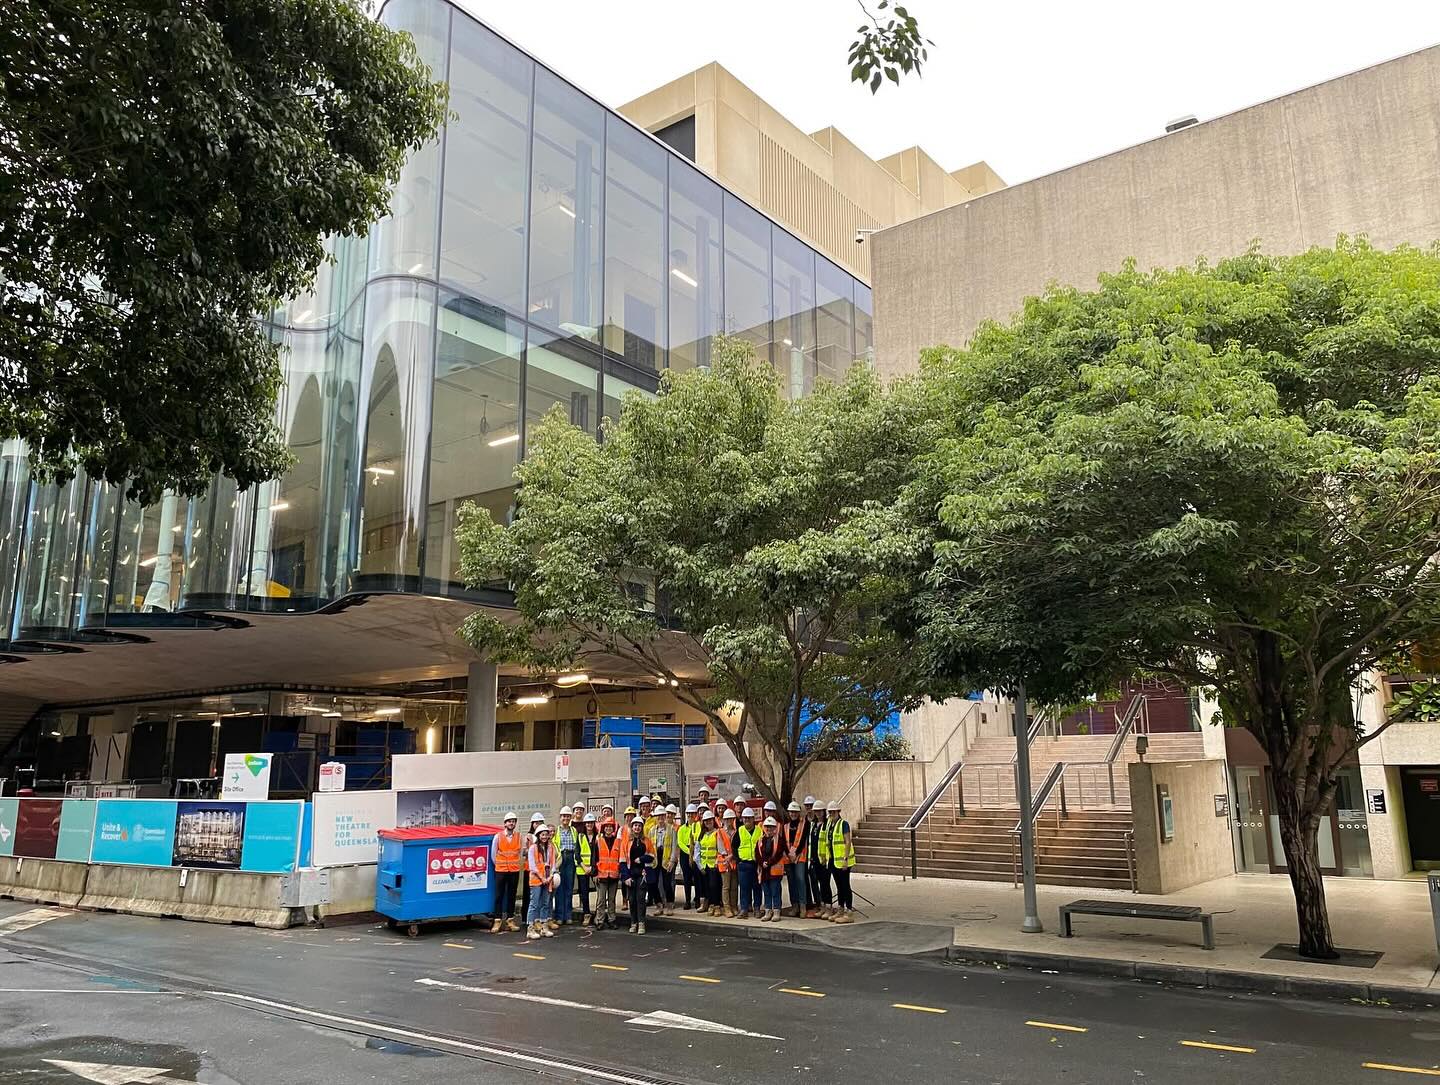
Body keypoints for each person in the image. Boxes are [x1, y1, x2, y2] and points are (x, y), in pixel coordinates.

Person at [490, 812, 523, 933]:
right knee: (499, 896)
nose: (511, 823)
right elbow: (493, 855)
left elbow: (519, 854)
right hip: (501, 870)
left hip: (514, 871)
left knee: (511, 896)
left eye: (513, 821)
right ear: (505, 823)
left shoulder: (519, 837)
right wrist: (499, 864)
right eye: (509, 821)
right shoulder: (498, 836)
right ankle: (497, 920)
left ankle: (510, 920)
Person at [526, 823, 559, 940]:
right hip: (536, 880)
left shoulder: (550, 848)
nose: (544, 837)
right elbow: (532, 866)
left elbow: (553, 864)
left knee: (545, 903)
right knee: (534, 904)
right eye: (542, 835)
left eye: (546, 834)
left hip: (547, 879)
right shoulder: (532, 848)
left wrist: (550, 877)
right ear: (538, 835)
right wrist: (542, 878)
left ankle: (544, 927)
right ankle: (530, 928)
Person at [825, 800, 856, 924]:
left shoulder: (843, 824)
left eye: (834, 812)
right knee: (839, 886)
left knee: (845, 886)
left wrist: (845, 859)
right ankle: (840, 908)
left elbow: (847, 842)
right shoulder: (829, 824)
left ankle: (848, 911)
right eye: (830, 812)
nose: (832, 814)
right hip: (833, 860)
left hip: (843, 861)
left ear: (838, 812)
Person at [623, 814, 653, 934]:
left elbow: (652, 856)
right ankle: (633, 922)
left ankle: (641, 923)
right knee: (632, 899)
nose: (637, 828)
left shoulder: (646, 841)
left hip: (642, 874)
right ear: (632, 827)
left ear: (642, 827)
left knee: (640, 899)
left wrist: (641, 859)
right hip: (630, 874)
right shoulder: (627, 842)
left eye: (639, 826)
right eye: (635, 825)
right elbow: (622, 860)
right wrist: (625, 877)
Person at [647, 804, 678, 915]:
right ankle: (658, 905)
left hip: (666, 859)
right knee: (653, 883)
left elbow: (674, 846)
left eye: (662, 816)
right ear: (655, 817)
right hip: (655, 859)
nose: (660, 818)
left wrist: (672, 861)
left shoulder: (671, 830)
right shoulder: (651, 831)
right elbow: (649, 847)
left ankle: (669, 905)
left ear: (665, 816)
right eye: (658, 816)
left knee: (667, 883)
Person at [756, 815, 787, 922]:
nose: (769, 829)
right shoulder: (760, 840)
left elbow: (778, 854)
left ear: (775, 828)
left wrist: (768, 863)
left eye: (771, 827)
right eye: (767, 827)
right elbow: (757, 854)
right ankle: (768, 911)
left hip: (775, 871)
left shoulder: (780, 840)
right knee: (767, 892)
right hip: (764, 872)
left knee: (775, 891)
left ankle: (777, 911)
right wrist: (762, 863)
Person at [595, 817, 623, 929]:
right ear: (603, 828)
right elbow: (595, 858)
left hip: (614, 876)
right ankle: (600, 920)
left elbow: (621, 858)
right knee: (601, 901)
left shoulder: (618, 842)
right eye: (606, 827)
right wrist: (595, 873)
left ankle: (612, 920)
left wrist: (620, 872)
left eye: (610, 827)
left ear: (613, 829)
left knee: (612, 900)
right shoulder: (598, 841)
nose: (608, 829)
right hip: (601, 876)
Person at [782, 800, 808, 918]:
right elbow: (783, 842)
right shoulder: (786, 826)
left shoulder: (804, 824)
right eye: (791, 812)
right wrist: (789, 854)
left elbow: (803, 841)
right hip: (788, 858)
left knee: (800, 880)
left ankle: (803, 906)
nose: (793, 814)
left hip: (800, 857)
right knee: (792, 882)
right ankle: (795, 906)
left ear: (799, 813)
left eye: (795, 812)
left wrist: (795, 853)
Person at [803, 796, 828, 918]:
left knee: (824, 884)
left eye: (819, 811)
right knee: (815, 883)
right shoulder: (813, 824)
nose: (817, 813)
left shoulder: (827, 824)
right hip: (813, 859)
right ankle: (820, 905)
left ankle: (826, 906)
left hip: (824, 859)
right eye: (816, 811)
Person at [554, 807, 578, 927]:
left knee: (569, 888)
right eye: (564, 816)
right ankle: (559, 916)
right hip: (560, 859)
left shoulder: (574, 830)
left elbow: (576, 846)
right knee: (559, 889)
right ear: (560, 817)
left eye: (568, 816)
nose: (566, 818)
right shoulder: (556, 831)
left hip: (570, 858)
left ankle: (568, 915)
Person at [736, 805, 761, 919]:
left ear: (753, 819)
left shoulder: (759, 831)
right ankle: (744, 909)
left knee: (757, 887)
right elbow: (734, 846)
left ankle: (757, 908)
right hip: (743, 864)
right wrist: (738, 860)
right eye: (745, 818)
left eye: (749, 818)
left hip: (756, 864)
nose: (746, 820)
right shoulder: (740, 830)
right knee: (744, 888)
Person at [521, 811, 544, 926]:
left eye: (540, 822)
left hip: (541, 871)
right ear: (532, 824)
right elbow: (523, 853)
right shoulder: (528, 837)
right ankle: (526, 918)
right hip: (529, 870)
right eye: (536, 822)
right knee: (527, 894)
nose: (538, 824)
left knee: (539, 896)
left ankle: (537, 918)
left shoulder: (543, 837)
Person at [676, 803, 700, 909]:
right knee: (687, 878)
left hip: (696, 853)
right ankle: (687, 901)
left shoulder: (699, 826)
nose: (690, 816)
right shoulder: (681, 828)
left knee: (697, 877)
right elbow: (680, 842)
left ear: (695, 814)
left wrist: (694, 852)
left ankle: (698, 899)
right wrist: (688, 851)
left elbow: (698, 839)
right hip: (685, 854)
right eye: (688, 814)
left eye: (692, 814)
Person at [576, 812, 598, 925]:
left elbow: (599, 854)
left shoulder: (598, 836)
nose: (589, 824)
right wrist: (584, 867)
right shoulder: (580, 836)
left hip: (595, 869)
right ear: (584, 824)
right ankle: (587, 914)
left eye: (591, 822)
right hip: (582, 869)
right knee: (584, 893)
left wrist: (593, 867)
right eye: (587, 823)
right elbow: (577, 854)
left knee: (600, 893)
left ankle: (598, 915)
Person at [696, 808, 720, 915]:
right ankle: (709, 905)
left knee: (714, 886)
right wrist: (700, 866)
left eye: (710, 820)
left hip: (713, 865)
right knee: (705, 887)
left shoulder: (717, 833)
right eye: (706, 821)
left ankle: (717, 906)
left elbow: (720, 850)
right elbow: (697, 852)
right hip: (703, 866)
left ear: (713, 820)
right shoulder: (701, 835)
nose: (708, 822)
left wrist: (716, 862)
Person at [719, 807, 739, 917]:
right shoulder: (720, 832)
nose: (729, 821)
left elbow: (737, 847)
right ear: (724, 820)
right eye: (727, 819)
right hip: (725, 863)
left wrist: (732, 856)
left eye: (731, 819)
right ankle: (727, 908)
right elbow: (721, 848)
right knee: (726, 886)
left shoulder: (736, 832)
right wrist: (729, 857)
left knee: (734, 886)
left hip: (734, 862)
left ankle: (734, 906)